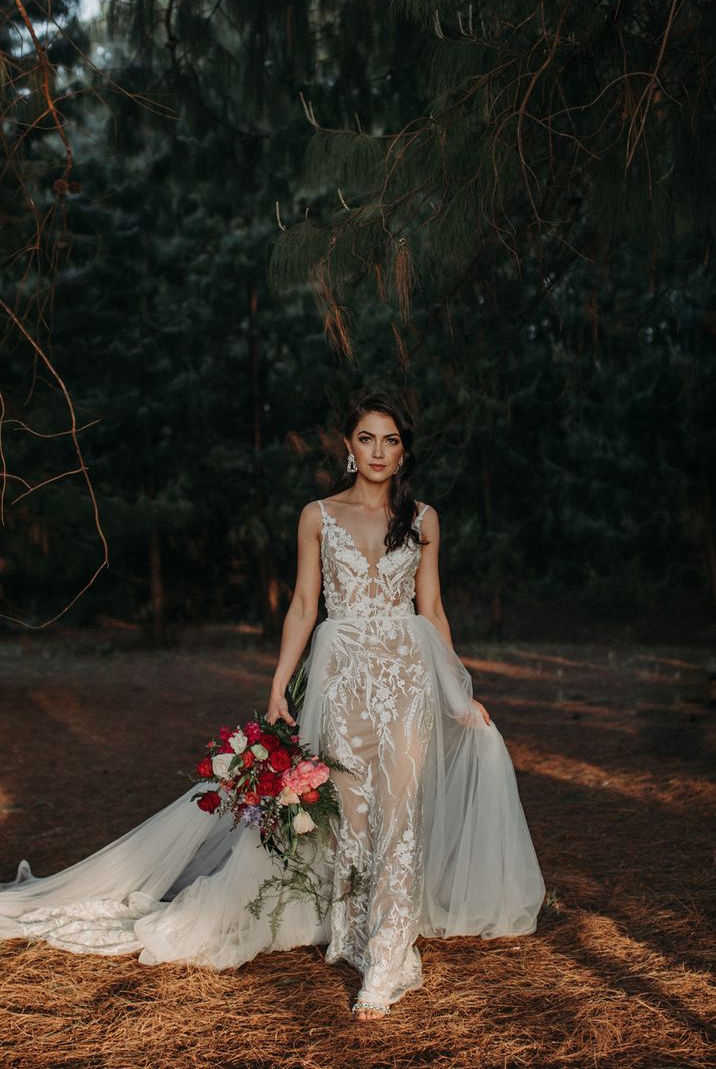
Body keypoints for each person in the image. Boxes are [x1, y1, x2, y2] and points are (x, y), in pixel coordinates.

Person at [0, 389, 545, 1025]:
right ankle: (353, 931)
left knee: (403, 810)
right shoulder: (317, 515)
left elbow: (434, 611)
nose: (377, 450)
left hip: (405, 675)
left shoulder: (423, 518)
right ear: (349, 447)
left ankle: (391, 955)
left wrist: (461, 693)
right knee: (352, 814)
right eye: (366, 438)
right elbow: (305, 607)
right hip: (340, 678)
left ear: (403, 451)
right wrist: (281, 681)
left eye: (390, 440)